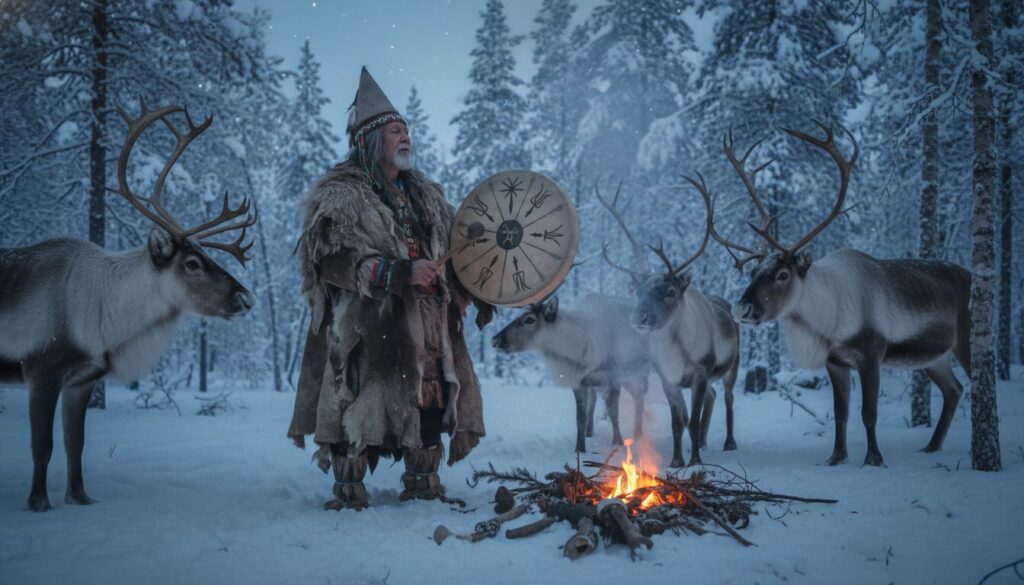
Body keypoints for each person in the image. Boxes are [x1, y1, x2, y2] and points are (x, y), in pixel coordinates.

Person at [288, 67, 494, 510]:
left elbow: (455, 250)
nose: (405, 137)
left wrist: (477, 284)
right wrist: (396, 274)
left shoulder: (427, 196)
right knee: (361, 401)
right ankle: (349, 487)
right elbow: (329, 259)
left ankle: (423, 481)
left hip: (430, 325)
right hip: (369, 325)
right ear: (370, 139)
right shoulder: (343, 195)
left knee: (431, 398)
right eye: (395, 131)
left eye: (407, 130)